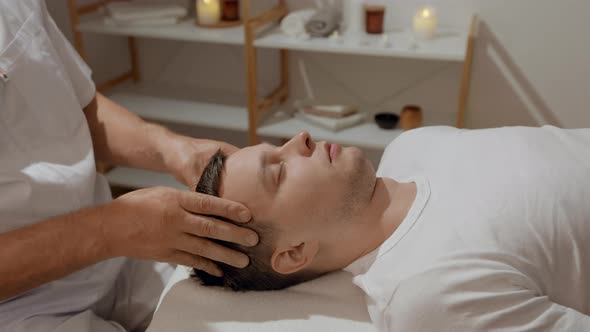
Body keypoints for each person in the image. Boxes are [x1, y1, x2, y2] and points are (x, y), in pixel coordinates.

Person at [0, 1, 259, 331]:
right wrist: (110, 229)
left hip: (112, 261)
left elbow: (72, 103)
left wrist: (171, 148)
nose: (301, 141)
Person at [192, 127, 590, 331]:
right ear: (295, 252)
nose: (301, 138)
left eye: (276, 148)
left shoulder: (411, 146)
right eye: (278, 171)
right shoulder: (430, 293)